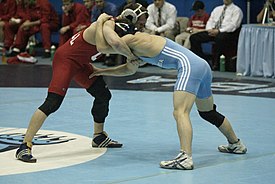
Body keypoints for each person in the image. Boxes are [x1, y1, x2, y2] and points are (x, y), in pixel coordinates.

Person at [89, 16, 247, 170]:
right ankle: (236, 144)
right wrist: (102, 71)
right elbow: (129, 70)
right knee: (208, 112)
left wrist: (102, 20)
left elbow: (103, 47)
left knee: (180, 112)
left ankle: (185, 157)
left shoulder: (133, 39)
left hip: (188, 66)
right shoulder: (134, 47)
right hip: (201, 66)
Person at [15, 4, 148, 163]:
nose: (143, 24)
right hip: (66, 60)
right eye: (141, 20)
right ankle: (24, 145)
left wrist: (112, 67)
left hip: (81, 63)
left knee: (103, 94)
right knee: (52, 102)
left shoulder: (122, 29)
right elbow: (109, 44)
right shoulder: (107, 23)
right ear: (130, 16)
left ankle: (98, 136)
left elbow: (128, 64)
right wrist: (131, 55)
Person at [190, 0, 243, 70]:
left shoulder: (237, 10)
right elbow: (210, 21)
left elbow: (233, 26)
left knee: (220, 38)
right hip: (213, 31)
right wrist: (209, 30)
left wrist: (219, 31)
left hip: (227, 32)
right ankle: (202, 61)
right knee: (194, 38)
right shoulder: (217, 9)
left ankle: (216, 64)